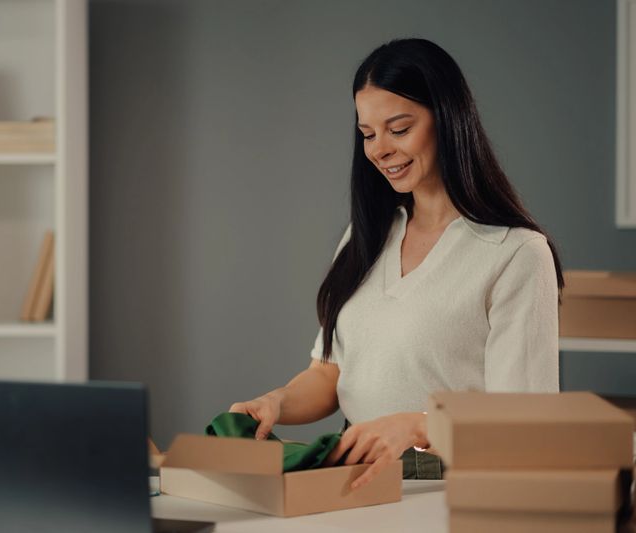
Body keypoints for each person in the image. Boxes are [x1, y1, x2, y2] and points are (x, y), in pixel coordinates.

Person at [229, 38, 563, 489]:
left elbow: (524, 423)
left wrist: (420, 426)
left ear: (447, 120)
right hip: (353, 473)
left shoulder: (516, 253)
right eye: (367, 134)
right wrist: (276, 402)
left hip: (446, 483)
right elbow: (330, 372)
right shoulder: (365, 238)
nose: (378, 150)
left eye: (399, 129)